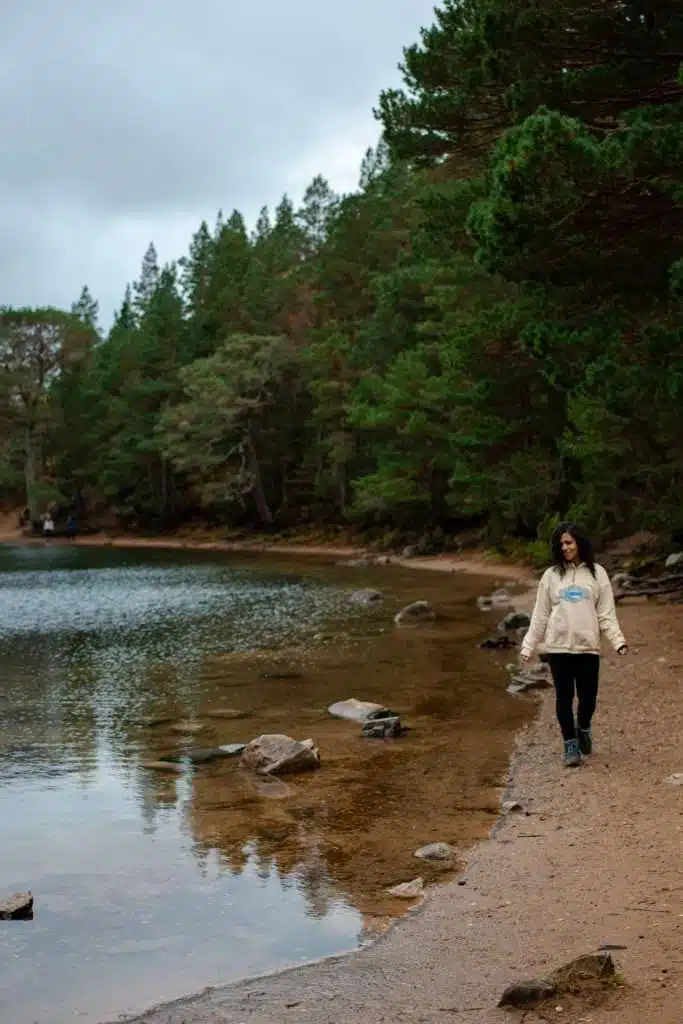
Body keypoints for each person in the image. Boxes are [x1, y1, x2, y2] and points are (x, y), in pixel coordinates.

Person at [520, 522, 628, 767]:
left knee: (588, 699)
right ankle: (570, 744)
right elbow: (540, 615)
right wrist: (528, 646)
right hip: (558, 648)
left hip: (587, 647)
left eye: (569, 542)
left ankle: (584, 727)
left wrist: (618, 640)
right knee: (564, 697)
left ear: (579, 542)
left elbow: (606, 613)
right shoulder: (551, 576)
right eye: (561, 544)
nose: (565, 548)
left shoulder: (597, 574)